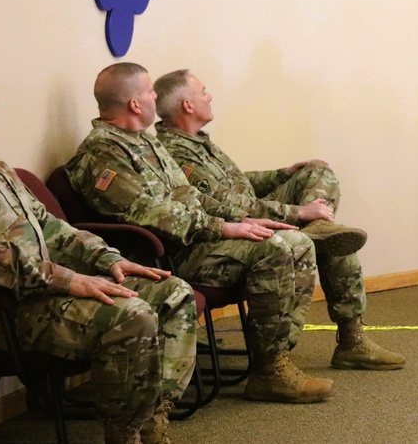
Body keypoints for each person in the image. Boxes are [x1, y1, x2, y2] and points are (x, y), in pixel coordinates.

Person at [65, 63, 332, 405]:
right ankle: (269, 371)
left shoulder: (146, 143)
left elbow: (193, 198)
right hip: (167, 256)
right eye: (150, 92)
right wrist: (222, 227)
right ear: (134, 104)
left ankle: (274, 359)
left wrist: (244, 218)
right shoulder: (103, 152)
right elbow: (148, 213)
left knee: (295, 241)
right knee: (276, 249)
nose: (155, 98)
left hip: (197, 241)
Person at [0, 67, 196, 444]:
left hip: (41, 293)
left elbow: (49, 226)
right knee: (130, 316)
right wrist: (70, 279)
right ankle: (124, 436)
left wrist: (106, 259)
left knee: (172, 293)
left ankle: (151, 419)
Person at [152, 69, 405, 370]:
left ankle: (321, 239)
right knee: (321, 240)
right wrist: (296, 213)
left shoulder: (197, 141)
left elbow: (237, 185)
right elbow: (227, 206)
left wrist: (283, 174)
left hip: (243, 221)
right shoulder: (175, 151)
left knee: (316, 174)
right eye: (203, 91)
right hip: (215, 241)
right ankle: (343, 340)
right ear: (187, 105)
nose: (210, 96)